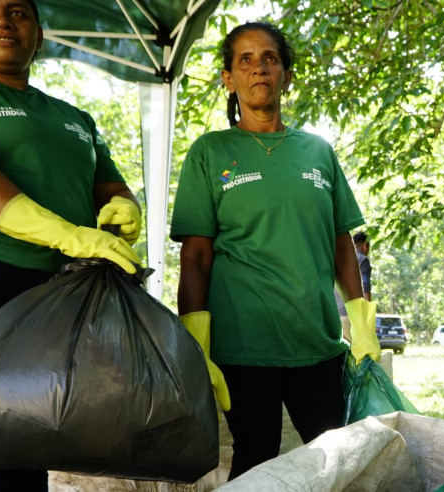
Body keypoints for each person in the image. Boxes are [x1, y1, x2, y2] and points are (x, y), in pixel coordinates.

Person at [170, 21, 380, 480]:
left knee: (336, 461)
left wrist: (361, 320)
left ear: (286, 74)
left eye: (270, 58)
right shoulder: (210, 152)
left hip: (317, 342)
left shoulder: (318, 151)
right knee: (255, 462)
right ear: (229, 79)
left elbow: (342, 242)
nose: (259, 68)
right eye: (245, 59)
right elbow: (196, 255)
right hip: (243, 346)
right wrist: (195, 340)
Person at [0, 1, 142, 490]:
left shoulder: (75, 118)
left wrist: (125, 205)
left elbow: (108, 188)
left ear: (39, 33)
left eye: (17, 12)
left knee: (28, 447)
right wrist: (67, 234)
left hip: (50, 297)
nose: (0, 21)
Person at [353, 231, 372, 301]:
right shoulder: (363, 260)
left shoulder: (342, 258)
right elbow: (365, 286)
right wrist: (367, 309)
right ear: (365, 245)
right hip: (354, 307)